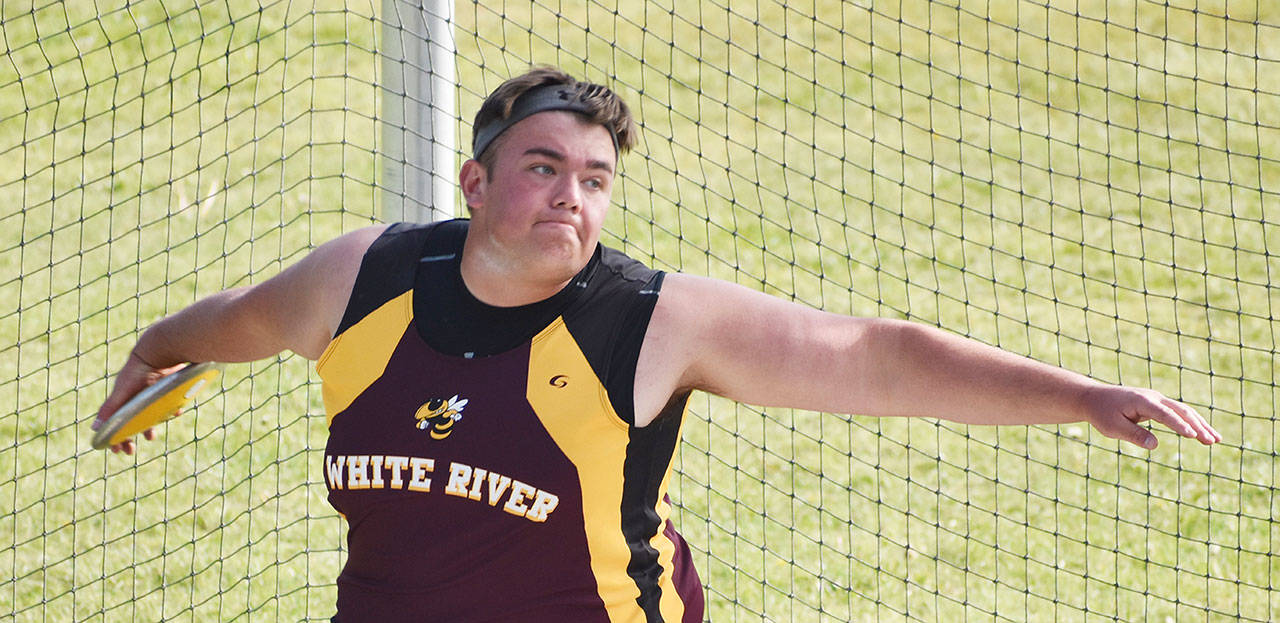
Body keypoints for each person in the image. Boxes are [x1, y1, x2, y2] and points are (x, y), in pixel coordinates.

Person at [94, 66, 1221, 622]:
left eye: (594, 180)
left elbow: (872, 352)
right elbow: (234, 321)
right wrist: (156, 346)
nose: (570, 197)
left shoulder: (648, 320)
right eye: (543, 168)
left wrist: (1075, 394)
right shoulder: (362, 277)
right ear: (475, 181)